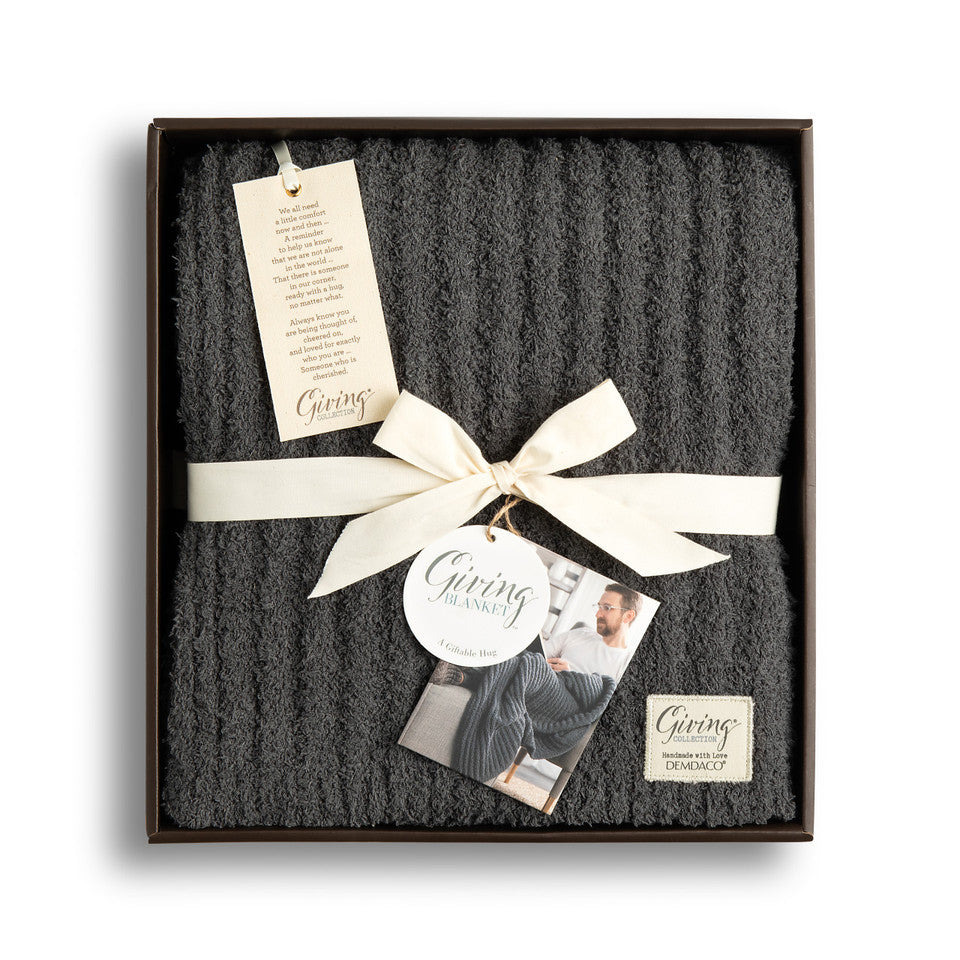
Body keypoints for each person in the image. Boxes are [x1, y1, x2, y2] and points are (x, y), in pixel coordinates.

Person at [541, 583, 641, 684]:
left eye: (607, 608)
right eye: (599, 607)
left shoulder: (626, 664)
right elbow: (537, 654)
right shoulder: (580, 633)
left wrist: (569, 678)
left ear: (628, 616)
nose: (598, 614)